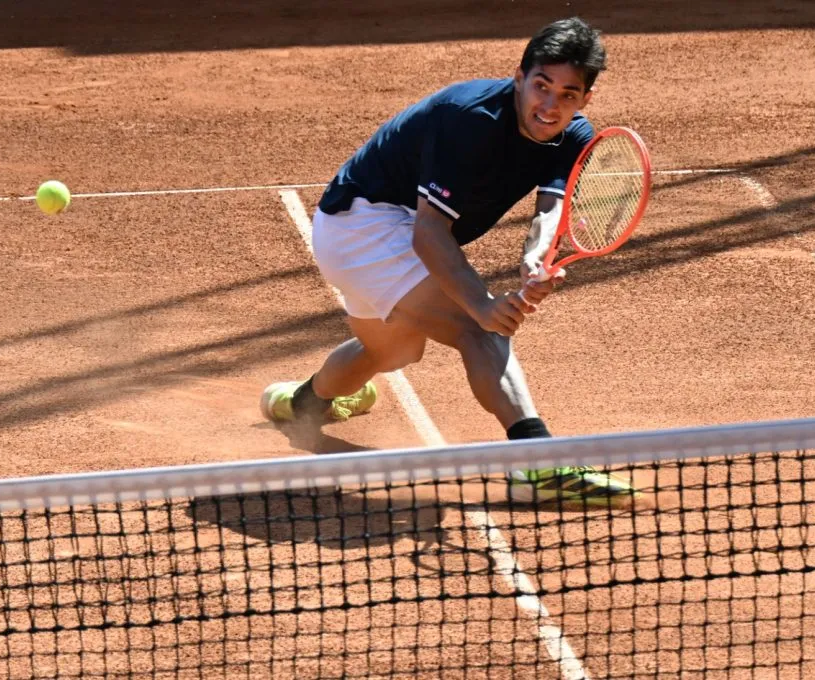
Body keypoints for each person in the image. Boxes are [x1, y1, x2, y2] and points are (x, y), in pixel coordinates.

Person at [260, 17, 638, 505]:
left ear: (585, 99)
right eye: (541, 86)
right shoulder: (472, 119)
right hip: (365, 226)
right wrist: (479, 303)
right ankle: (537, 465)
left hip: (365, 230)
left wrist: (536, 259)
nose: (550, 105)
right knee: (478, 329)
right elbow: (428, 233)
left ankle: (301, 405)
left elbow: (551, 209)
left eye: (568, 94)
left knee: (393, 351)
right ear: (519, 77)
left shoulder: (574, 137)